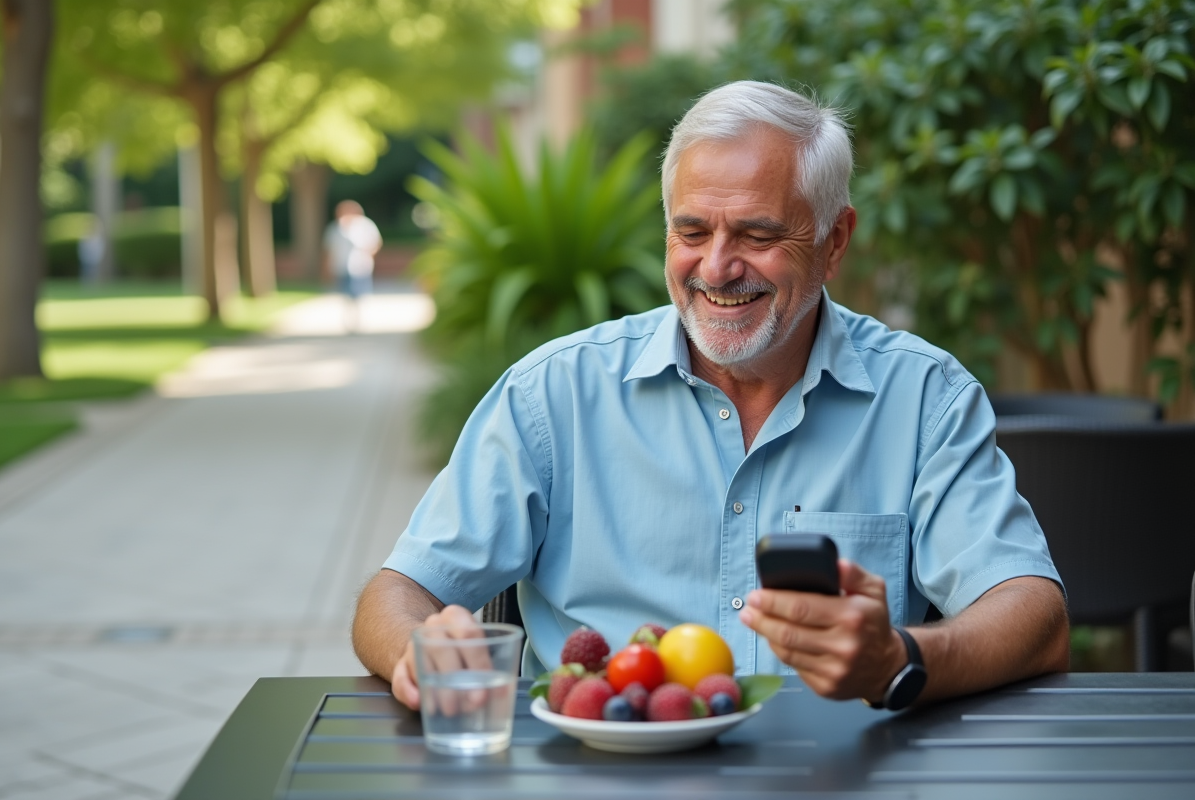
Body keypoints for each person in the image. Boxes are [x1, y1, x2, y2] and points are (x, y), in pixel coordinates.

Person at [353, 81, 1069, 712]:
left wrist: (903, 660)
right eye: (691, 231)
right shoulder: (555, 395)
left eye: (758, 234)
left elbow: (1034, 615)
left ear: (834, 240)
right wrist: (419, 647)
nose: (717, 268)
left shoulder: (925, 398)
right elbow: (394, 595)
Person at [323, 200, 382, 330]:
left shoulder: (365, 225)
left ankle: (359, 319)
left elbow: (376, 243)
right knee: (345, 294)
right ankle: (349, 319)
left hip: (360, 267)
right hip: (341, 266)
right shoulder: (335, 228)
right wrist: (327, 267)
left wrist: (368, 256)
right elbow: (329, 249)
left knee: (359, 293)